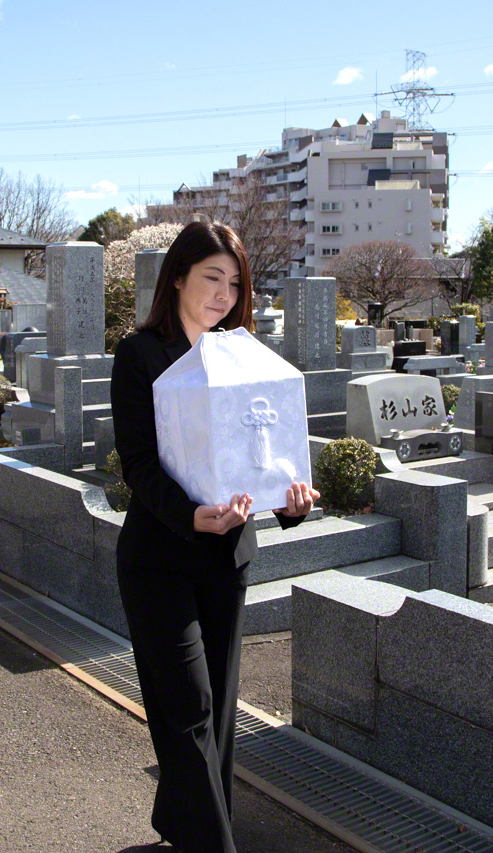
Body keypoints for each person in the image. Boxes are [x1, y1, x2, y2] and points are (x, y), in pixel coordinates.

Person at [111, 222, 320, 852]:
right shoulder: (141, 353)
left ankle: (187, 828)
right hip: (159, 557)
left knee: (219, 716)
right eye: (211, 277)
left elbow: (268, 454)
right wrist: (188, 514)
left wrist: (291, 503)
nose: (224, 293)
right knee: (188, 707)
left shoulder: (245, 354)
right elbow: (139, 467)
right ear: (177, 276)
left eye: (234, 282)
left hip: (227, 557)